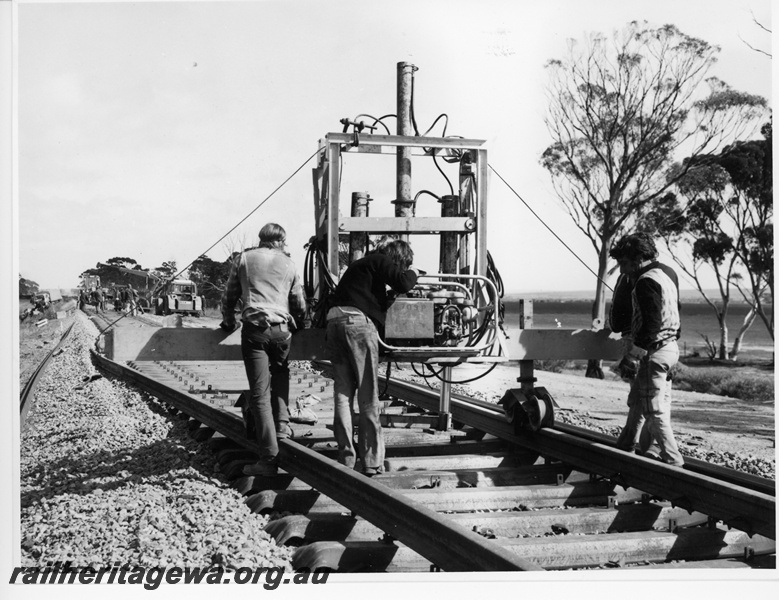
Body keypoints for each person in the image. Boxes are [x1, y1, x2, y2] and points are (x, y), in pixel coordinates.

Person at [325, 239, 420, 476]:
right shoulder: (380, 260)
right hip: (356, 325)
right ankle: (371, 461)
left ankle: (346, 455)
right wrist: (414, 273)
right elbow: (404, 282)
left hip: (334, 323)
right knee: (368, 393)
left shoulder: (361, 267)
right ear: (396, 258)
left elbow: (374, 298)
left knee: (343, 393)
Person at [220, 223, 306, 477]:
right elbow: (298, 302)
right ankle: (281, 426)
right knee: (280, 373)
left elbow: (229, 296)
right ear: (282, 240)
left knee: (259, 392)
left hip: (255, 329)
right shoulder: (289, 263)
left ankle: (268, 457)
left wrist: (228, 322)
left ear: (261, 239)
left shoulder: (244, 258)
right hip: (282, 331)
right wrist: (301, 323)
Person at [610, 233, 684, 467]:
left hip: (655, 351)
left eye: (624, 263)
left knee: (653, 410)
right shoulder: (666, 275)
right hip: (670, 347)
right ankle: (625, 447)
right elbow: (674, 315)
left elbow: (651, 323)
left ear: (638, 258)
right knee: (638, 402)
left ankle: (674, 461)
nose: (622, 271)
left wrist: (633, 354)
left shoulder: (644, 282)